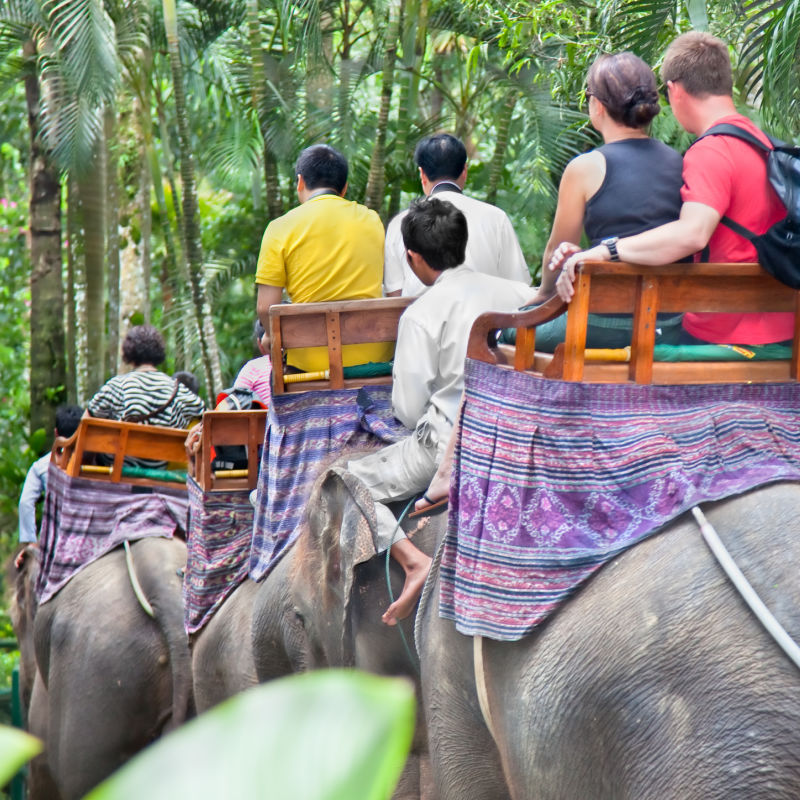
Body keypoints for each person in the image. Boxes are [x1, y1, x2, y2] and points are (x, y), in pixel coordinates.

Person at [347, 198, 535, 625]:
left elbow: (410, 411)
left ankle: (414, 562)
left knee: (343, 482)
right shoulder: (522, 296)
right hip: (516, 434)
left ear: (413, 258)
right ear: (461, 243)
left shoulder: (421, 313)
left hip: (446, 446)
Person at [554, 31, 792, 347]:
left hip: (724, 330)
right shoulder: (764, 145)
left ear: (674, 91)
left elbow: (692, 234)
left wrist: (608, 250)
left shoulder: (712, 150)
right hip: (784, 322)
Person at [509, 52, 685, 351]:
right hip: (666, 326)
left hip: (601, 325)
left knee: (503, 331)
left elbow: (556, 249)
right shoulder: (679, 161)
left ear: (598, 106)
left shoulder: (586, 167)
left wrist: (541, 298)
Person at [255, 144, 393, 373]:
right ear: (344, 187)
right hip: (372, 361)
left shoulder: (280, 228)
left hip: (309, 366)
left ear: (300, 182)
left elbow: (265, 307)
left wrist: (270, 335)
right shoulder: (372, 220)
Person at [383, 133, 530, 297]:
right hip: (487, 319)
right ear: (464, 170)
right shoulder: (497, 218)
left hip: (423, 318)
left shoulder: (400, 223)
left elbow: (394, 295)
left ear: (422, 174)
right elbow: (519, 284)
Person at [87, 325, 205, 431]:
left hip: (123, 454)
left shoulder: (116, 386)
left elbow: (86, 422)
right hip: (165, 454)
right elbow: (207, 418)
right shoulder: (178, 390)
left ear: (129, 353)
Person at [16, 404, 83, 565]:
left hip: (59, 540)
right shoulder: (97, 462)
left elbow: (25, 503)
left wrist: (31, 543)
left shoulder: (41, 467)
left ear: (56, 433)